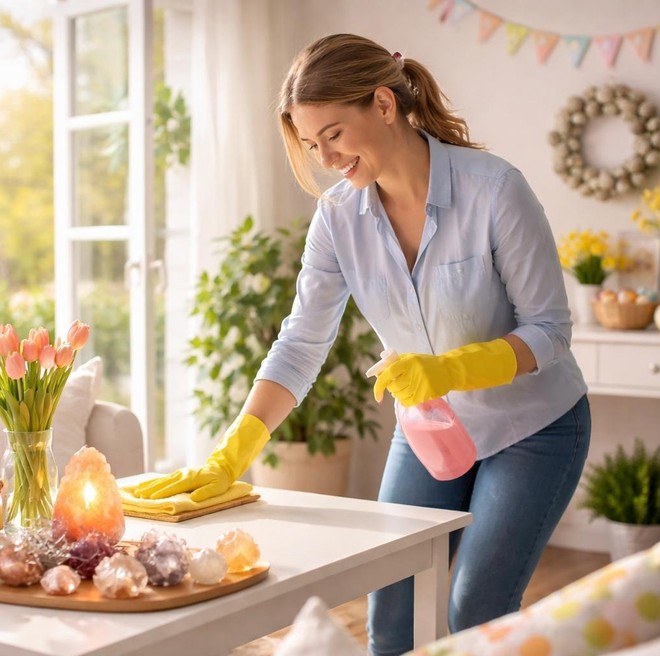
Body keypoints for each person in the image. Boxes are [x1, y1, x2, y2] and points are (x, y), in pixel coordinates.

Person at [133, 33, 591, 655]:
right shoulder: (337, 218)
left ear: (383, 104)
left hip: (533, 428)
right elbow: (301, 342)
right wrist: (230, 454)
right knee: (392, 611)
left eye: (334, 135)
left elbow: (549, 329)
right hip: (431, 427)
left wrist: (452, 368)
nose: (326, 158)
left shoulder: (495, 190)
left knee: (475, 608)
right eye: (311, 144)